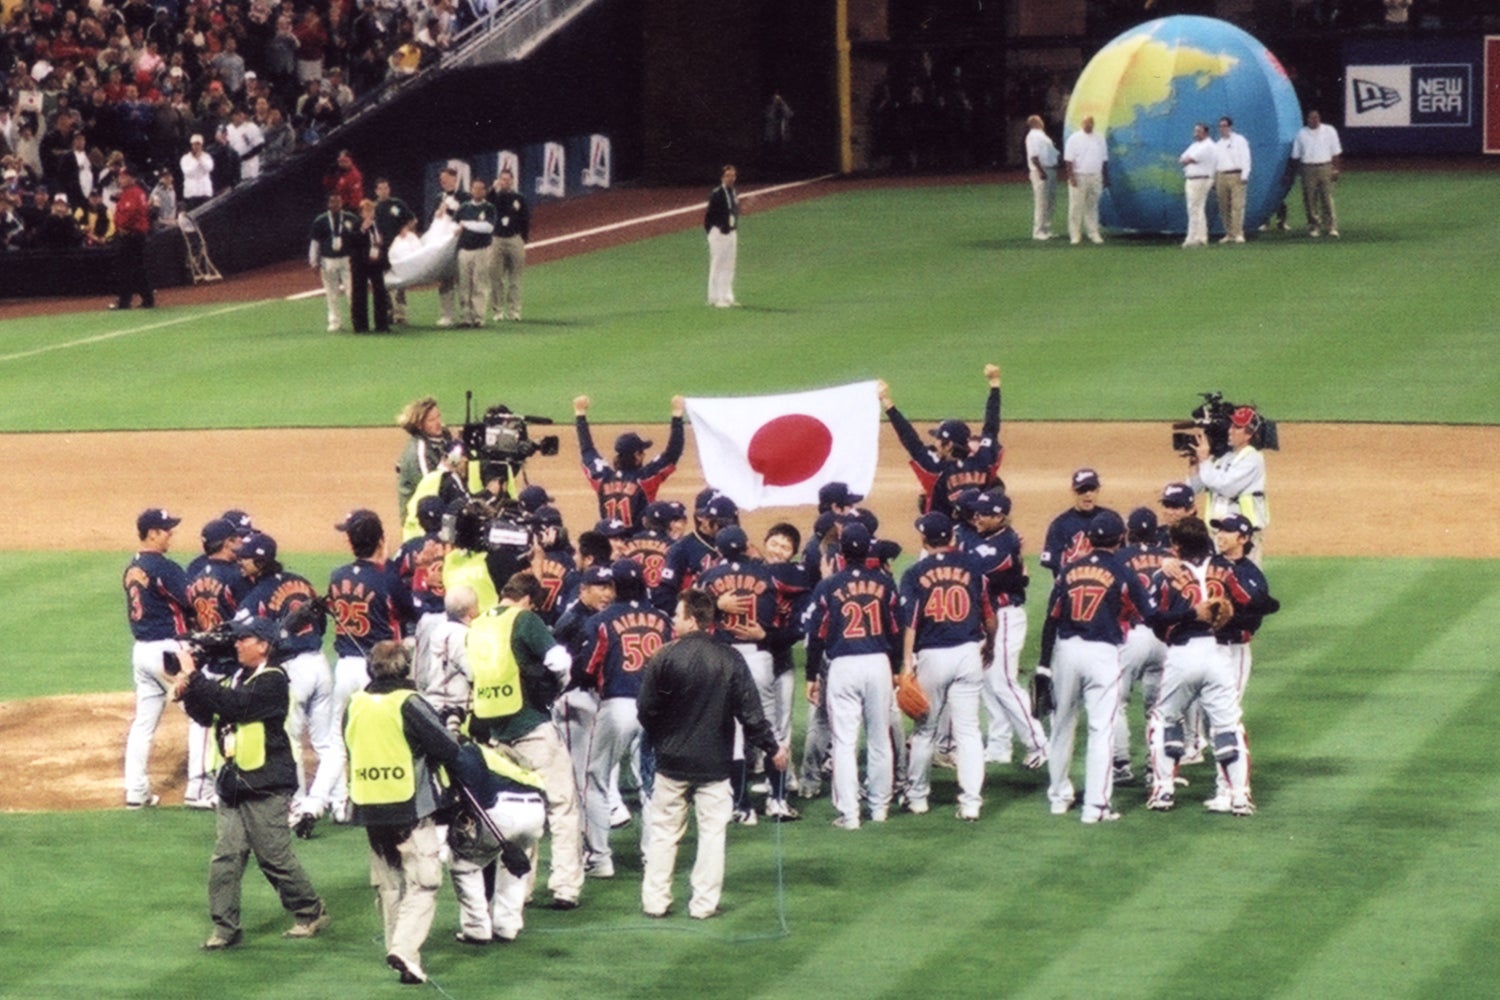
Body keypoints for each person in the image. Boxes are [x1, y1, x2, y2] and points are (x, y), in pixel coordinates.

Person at [175, 617, 331, 950]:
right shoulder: (235, 677)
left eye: (244, 639)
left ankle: (309, 910)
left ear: (263, 645)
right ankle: (225, 927)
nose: (237, 643)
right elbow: (208, 714)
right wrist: (189, 691)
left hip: (267, 782)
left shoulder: (274, 680)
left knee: (273, 857)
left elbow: (238, 707)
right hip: (232, 782)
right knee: (225, 858)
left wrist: (195, 677)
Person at [1035, 511, 1200, 823]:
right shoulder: (1122, 573)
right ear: (1119, 538)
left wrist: (1044, 665)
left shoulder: (1069, 570)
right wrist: (1192, 615)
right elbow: (1152, 618)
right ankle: (1095, 807)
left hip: (1066, 651)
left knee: (1061, 726)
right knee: (1101, 730)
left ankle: (1058, 797)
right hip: (1102, 653)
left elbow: (1051, 620)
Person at [637, 589, 787, 918]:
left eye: (677, 615)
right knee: (712, 834)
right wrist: (772, 749)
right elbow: (751, 715)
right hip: (715, 763)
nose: (673, 621)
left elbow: (646, 711)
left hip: (672, 761)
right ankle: (703, 905)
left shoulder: (664, 657)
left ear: (692, 619)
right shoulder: (730, 658)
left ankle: (655, 901)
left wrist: (664, 737)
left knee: (663, 832)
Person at [344, 640, 463, 985]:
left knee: (389, 884)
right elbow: (446, 747)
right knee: (424, 881)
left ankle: (400, 951)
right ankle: (406, 950)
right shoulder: (409, 702)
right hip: (409, 806)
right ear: (406, 668)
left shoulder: (354, 704)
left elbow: (350, 744)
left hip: (367, 806)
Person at [465, 572, 582, 909]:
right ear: (528, 599)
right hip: (532, 726)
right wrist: (555, 688)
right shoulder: (525, 619)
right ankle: (565, 887)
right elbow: (558, 660)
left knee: (518, 812)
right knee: (561, 806)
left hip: (495, 733)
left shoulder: (478, 625)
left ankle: (520, 889)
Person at [1143, 518, 1255, 816]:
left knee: (1164, 720)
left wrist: (1186, 616)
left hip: (1182, 654)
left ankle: (1163, 790)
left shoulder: (1166, 574)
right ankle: (1240, 797)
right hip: (1218, 654)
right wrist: (1228, 618)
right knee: (1229, 725)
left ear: (1176, 546)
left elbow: (1154, 619)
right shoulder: (1225, 570)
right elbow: (1249, 602)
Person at [576, 559, 674, 877]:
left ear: (615, 587)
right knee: (652, 784)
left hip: (617, 706)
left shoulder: (603, 621)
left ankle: (601, 858)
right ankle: (654, 857)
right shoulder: (664, 620)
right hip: (657, 710)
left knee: (596, 779)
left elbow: (588, 669)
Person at [237, 533, 341, 828]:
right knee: (327, 743)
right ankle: (337, 800)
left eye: (244, 559)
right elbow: (320, 622)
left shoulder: (258, 594)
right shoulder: (301, 582)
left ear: (259, 562)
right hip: (320, 664)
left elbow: (244, 633)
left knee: (289, 739)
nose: (239, 564)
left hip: (293, 671)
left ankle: (297, 805)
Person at [802, 524, 901, 829]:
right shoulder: (885, 583)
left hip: (843, 665)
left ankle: (850, 814)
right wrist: (897, 668)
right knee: (879, 738)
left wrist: (811, 675)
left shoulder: (829, 586)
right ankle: (880, 808)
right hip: (878, 663)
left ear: (841, 552)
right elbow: (896, 631)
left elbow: (816, 636)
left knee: (844, 741)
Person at [695, 526, 796, 821]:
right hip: (760, 655)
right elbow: (779, 612)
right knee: (770, 728)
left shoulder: (708, 577)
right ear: (746, 547)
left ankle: (742, 806)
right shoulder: (767, 576)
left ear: (720, 550)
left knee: (734, 732)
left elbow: (694, 615)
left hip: (725, 657)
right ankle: (777, 800)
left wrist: (715, 604)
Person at [899, 512, 991, 821]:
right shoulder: (973, 568)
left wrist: (906, 662)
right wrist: (990, 643)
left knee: (925, 730)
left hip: (933, 656)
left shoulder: (914, 573)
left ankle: (917, 798)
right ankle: (971, 803)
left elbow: (910, 622)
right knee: (968, 731)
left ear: (924, 540)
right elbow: (988, 613)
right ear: (952, 538)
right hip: (968, 652)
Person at [319, 510, 405, 830]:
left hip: (344, 667)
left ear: (351, 542)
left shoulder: (337, 575)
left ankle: (331, 803)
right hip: (378, 671)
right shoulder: (387, 577)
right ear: (381, 540)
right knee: (384, 737)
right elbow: (405, 611)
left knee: (337, 741)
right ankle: (380, 802)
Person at [956, 490, 1048, 769]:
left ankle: (1039, 744)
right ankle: (999, 745)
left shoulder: (1005, 541)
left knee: (1003, 682)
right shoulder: (977, 535)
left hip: (1005, 617)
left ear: (1000, 517)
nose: (978, 517)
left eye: (984, 514)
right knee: (987, 682)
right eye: (977, 512)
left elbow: (978, 574)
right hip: (986, 619)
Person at [1203, 512, 1279, 810]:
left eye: (1228, 532)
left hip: (1233, 651)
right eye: (1219, 531)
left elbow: (1256, 619)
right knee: (1213, 719)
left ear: (1244, 538)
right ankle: (1226, 787)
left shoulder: (1251, 574)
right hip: (1206, 649)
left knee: (1226, 718)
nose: (1220, 536)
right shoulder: (1209, 565)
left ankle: (1233, 790)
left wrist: (1230, 619)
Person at [448, 737, 547, 944]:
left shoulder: (471, 752)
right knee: (512, 868)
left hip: (502, 811)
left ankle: (477, 929)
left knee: (465, 864)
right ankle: (507, 926)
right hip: (536, 810)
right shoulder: (506, 760)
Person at [181, 517, 251, 809]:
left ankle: (205, 783)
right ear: (226, 544)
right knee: (216, 721)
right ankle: (200, 787)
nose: (240, 544)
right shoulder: (236, 576)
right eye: (236, 540)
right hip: (228, 659)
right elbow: (247, 619)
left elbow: (188, 614)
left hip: (205, 654)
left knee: (204, 722)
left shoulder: (195, 572)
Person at [123, 507, 190, 809]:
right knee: (203, 715)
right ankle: (203, 787)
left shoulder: (131, 567)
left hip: (142, 652)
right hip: (168, 653)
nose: (170, 536)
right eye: (166, 531)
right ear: (152, 533)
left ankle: (136, 792)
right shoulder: (164, 568)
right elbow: (192, 601)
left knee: (143, 725)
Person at [879, 364, 1003, 517]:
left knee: (924, 501)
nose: (935, 444)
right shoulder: (983, 460)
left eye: (938, 439)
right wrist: (995, 384)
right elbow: (991, 427)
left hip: (948, 533)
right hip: (979, 528)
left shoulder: (936, 469)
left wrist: (888, 404)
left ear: (949, 445)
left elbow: (910, 440)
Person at [573, 394, 686, 528]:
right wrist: (677, 415)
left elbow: (588, 451)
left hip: (611, 543)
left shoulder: (603, 477)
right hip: (638, 543)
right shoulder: (645, 479)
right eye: (642, 452)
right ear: (637, 456)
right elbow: (672, 453)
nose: (644, 455)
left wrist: (580, 414)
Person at [1187, 406, 1269, 562]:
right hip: (1218, 533)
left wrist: (1205, 460)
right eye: (1231, 425)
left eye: (1237, 427)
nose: (1230, 430)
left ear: (1249, 433)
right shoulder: (1223, 458)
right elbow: (1194, 488)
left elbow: (1227, 488)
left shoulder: (1252, 459)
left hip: (1242, 536)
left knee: (1244, 583)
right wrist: (1195, 462)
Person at [1039, 468, 1121, 578]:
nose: (1088, 494)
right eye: (1082, 490)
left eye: (1091, 489)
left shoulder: (1111, 519)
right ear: (1073, 491)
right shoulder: (1059, 525)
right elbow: (1053, 562)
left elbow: (1122, 556)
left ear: (1097, 491)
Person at [395, 396, 453, 525]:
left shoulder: (443, 435)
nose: (438, 422)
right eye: (431, 420)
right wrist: (444, 469)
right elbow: (428, 488)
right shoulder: (418, 452)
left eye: (438, 416)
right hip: (417, 519)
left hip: (436, 507)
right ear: (420, 425)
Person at [1289, 109, 1341, 238]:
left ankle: (1331, 226)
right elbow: (1296, 155)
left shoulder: (1329, 131)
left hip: (1325, 166)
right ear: (1307, 120)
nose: (1314, 120)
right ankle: (1314, 226)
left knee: (1327, 197)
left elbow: (1336, 152)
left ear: (1319, 118)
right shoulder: (1301, 134)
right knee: (1310, 199)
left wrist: (1336, 169)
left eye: (1316, 118)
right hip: (1308, 167)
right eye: (1311, 118)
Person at [309, 192, 357, 332]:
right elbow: (315, 243)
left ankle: (357, 319)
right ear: (328, 204)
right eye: (332, 202)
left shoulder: (350, 218)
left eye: (338, 201)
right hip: (328, 260)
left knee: (352, 291)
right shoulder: (321, 221)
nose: (335, 205)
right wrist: (314, 262)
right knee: (331, 292)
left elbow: (358, 239)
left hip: (347, 259)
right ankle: (334, 321)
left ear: (342, 202)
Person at [486, 168, 529, 322]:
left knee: (515, 279)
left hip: (515, 239)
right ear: (499, 180)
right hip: (497, 239)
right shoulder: (495, 197)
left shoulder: (519, 198)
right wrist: (492, 189)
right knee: (495, 278)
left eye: (507, 179)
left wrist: (523, 238)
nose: (505, 182)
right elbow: (486, 204)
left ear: (512, 180)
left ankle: (514, 311)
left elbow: (525, 219)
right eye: (502, 179)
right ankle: (497, 311)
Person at [110, 163, 154, 310]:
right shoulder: (126, 193)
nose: (120, 180)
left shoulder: (135, 193)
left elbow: (130, 213)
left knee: (130, 269)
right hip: (128, 235)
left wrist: (122, 227)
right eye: (120, 177)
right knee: (130, 269)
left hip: (133, 235)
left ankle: (129, 301)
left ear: (132, 178)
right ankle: (143, 299)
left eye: (123, 177)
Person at [455, 177, 496, 328]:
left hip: (481, 251)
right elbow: (453, 225)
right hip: (464, 251)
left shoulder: (489, 208)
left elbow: (488, 228)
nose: (478, 191)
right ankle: (465, 318)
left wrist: (465, 224)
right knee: (464, 285)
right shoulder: (464, 208)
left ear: (485, 191)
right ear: (471, 190)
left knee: (479, 284)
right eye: (475, 188)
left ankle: (479, 317)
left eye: (481, 189)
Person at [374, 178, 416, 324]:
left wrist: (405, 228)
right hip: (382, 249)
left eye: (386, 188)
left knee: (400, 281)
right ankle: (388, 311)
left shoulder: (397, 204)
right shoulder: (374, 207)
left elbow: (412, 219)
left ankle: (401, 314)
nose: (384, 191)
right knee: (384, 281)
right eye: (381, 188)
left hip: (399, 248)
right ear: (376, 191)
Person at [1063, 115, 1108, 245]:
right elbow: (1068, 160)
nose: (1088, 125)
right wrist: (1071, 177)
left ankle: (1093, 233)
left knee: (1092, 206)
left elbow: (1104, 159)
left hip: (1095, 175)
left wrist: (1104, 177)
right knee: (1076, 206)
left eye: (1090, 123)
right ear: (1082, 124)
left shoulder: (1099, 138)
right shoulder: (1074, 139)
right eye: (1086, 123)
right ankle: (1075, 235)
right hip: (1079, 175)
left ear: (1093, 124)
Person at [350, 198, 391, 333]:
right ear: (361, 213)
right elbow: (351, 241)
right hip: (360, 264)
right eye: (366, 211)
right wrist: (362, 229)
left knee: (380, 292)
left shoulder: (377, 225)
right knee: (359, 294)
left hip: (376, 263)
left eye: (371, 210)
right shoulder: (356, 225)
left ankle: (382, 324)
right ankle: (361, 326)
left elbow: (382, 243)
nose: (369, 213)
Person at [430, 166, 462, 327]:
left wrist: (449, 210)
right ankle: (447, 315)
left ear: (454, 179)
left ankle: (467, 315)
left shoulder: (464, 196)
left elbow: (463, 216)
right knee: (445, 280)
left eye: (446, 179)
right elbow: (434, 219)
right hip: (443, 244)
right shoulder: (438, 197)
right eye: (441, 179)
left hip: (460, 244)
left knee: (464, 280)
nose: (443, 181)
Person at [704, 163, 738, 307]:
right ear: (722, 177)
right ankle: (715, 298)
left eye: (733, 176)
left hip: (731, 232)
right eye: (728, 176)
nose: (731, 178)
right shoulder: (717, 193)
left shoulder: (733, 192)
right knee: (718, 264)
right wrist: (713, 232)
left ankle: (727, 296)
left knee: (729, 265)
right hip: (719, 233)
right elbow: (709, 215)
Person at [1214, 116, 1251, 244]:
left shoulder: (1239, 140)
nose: (1222, 129)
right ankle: (1229, 233)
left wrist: (1245, 174)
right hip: (1221, 175)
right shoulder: (1218, 144)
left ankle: (1238, 233)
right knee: (1224, 206)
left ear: (1230, 127)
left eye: (1225, 126)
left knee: (1237, 205)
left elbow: (1246, 158)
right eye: (1220, 126)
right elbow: (1215, 162)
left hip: (1236, 174)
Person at [1179, 122, 1215, 249]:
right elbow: (1182, 158)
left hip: (1200, 179)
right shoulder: (1195, 145)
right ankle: (1200, 237)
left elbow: (1189, 159)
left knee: (1194, 208)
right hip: (1192, 179)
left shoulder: (1208, 146)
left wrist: (1186, 159)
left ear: (1205, 132)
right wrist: (1185, 159)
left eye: (1198, 131)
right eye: (1195, 131)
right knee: (1197, 208)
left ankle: (1192, 237)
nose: (1195, 134)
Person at [1024, 114, 1059, 240]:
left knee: (1049, 201)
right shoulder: (1033, 136)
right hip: (1041, 170)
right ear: (1035, 122)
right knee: (1042, 201)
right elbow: (1034, 155)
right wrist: (1040, 170)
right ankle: (1038, 231)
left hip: (1049, 169)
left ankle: (1046, 228)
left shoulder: (1042, 135)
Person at [179, 133, 214, 211]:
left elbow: (209, 168)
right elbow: (187, 172)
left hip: (205, 191)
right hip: (192, 193)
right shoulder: (185, 158)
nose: (196, 147)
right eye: (194, 144)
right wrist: (196, 161)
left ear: (201, 145)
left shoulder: (207, 157)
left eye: (198, 144)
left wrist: (200, 159)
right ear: (191, 145)